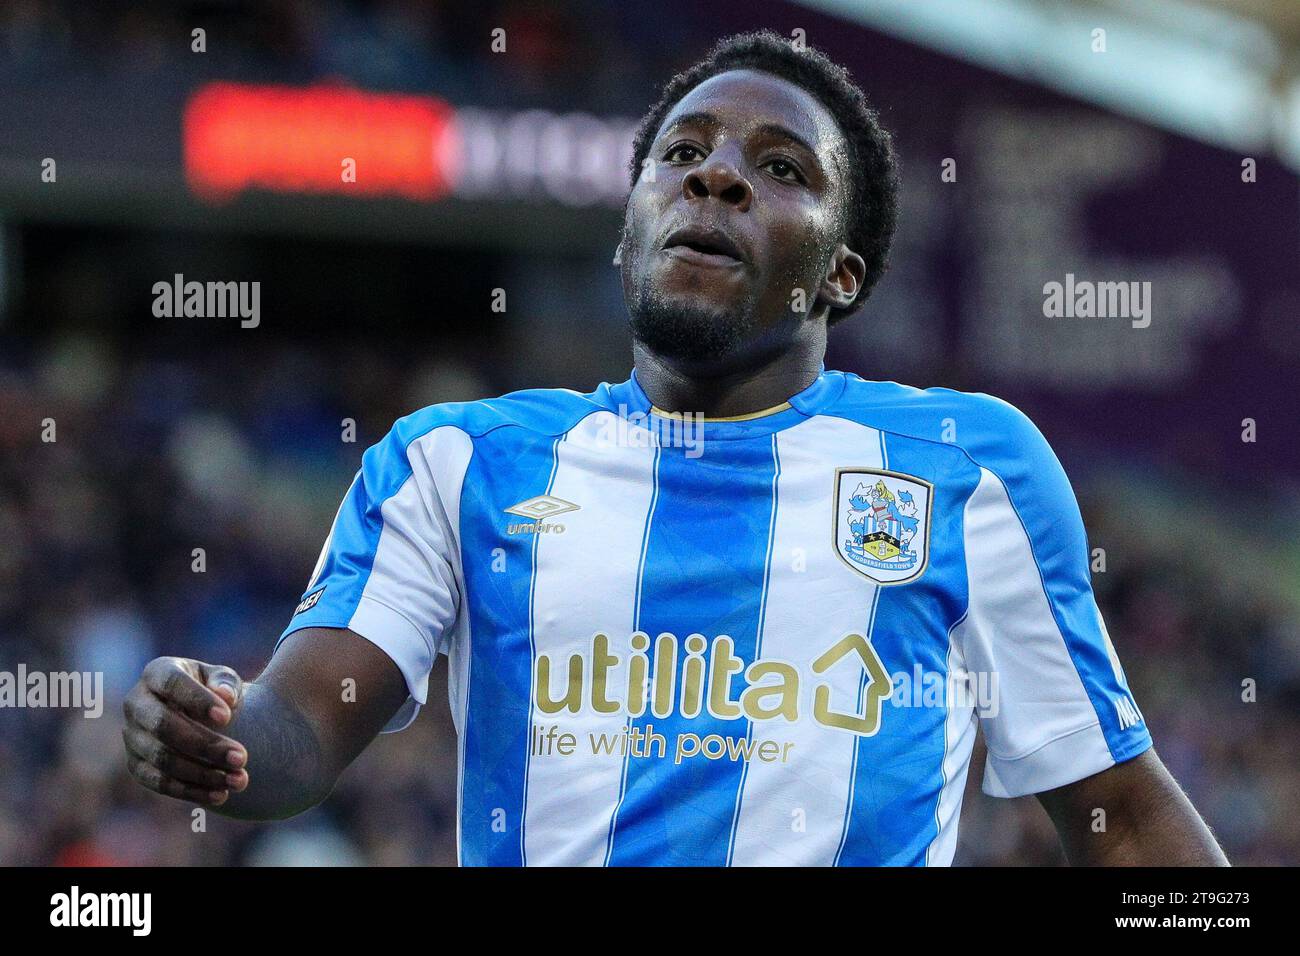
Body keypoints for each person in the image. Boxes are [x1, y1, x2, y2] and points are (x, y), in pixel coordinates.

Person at [123, 30, 1227, 866]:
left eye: (782, 168)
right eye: (683, 153)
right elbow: (301, 724)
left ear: (841, 273)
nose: (717, 175)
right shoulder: (455, 464)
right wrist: (219, 730)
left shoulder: (967, 468)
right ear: (630, 228)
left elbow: (1119, 819)